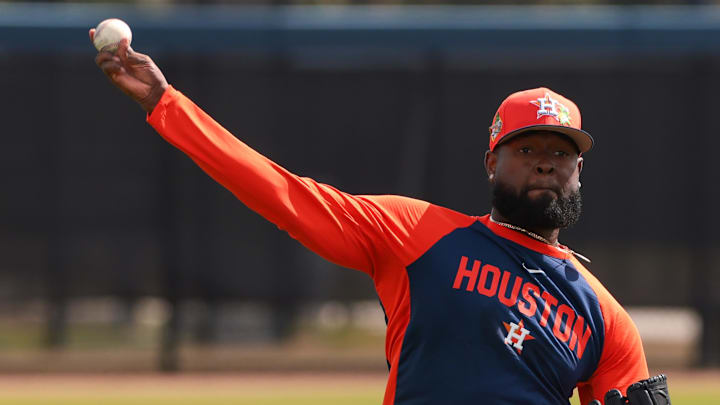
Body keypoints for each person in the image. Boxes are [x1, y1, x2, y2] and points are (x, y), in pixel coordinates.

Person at [91, 34, 652, 405]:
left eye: (561, 153)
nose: (546, 164)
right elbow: (282, 193)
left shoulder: (604, 317)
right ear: (491, 163)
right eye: (527, 150)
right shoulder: (417, 233)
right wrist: (168, 106)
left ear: (579, 171)